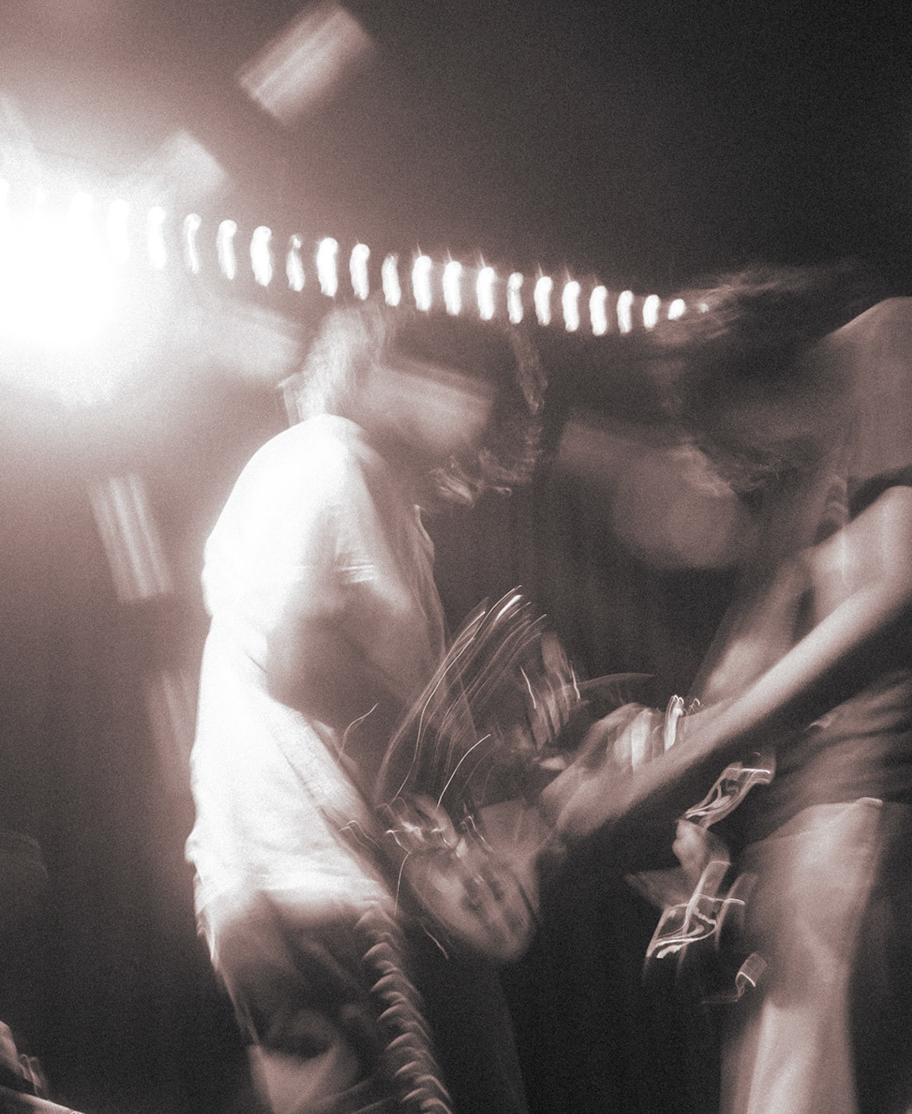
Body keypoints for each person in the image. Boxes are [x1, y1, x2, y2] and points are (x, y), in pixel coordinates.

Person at [552, 284, 912, 1114]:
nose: (730, 470)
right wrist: (636, 762)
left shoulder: (895, 341)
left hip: (885, 824)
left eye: (718, 443)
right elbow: (738, 675)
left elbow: (908, 582)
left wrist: (673, 774)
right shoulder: (811, 476)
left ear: (737, 389)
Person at [185, 303, 547, 1114]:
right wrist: (469, 765)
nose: (452, 394)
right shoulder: (329, 460)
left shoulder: (374, 502)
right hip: (328, 897)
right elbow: (302, 660)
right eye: (437, 367)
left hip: (292, 895)